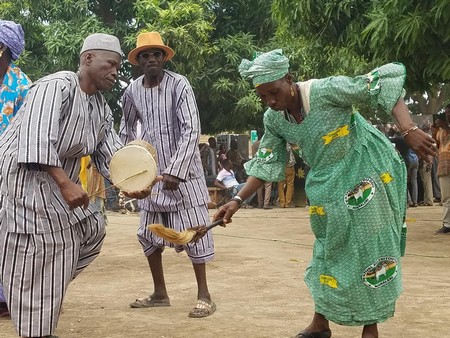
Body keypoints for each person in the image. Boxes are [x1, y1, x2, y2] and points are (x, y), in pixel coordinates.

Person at [213, 49, 436, 338]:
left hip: (366, 168)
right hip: (326, 182)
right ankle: (320, 323)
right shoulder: (275, 119)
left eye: (274, 92)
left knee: (371, 246)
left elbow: (382, 82)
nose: (270, 101)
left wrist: (409, 129)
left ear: (289, 79)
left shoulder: (326, 90)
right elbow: (267, 161)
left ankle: (371, 327)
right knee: (328, 248)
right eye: (263, 97)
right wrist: (236, 200)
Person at [0, 33, 155, 338]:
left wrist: (134, 182)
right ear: (87, 59)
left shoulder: (99, 107)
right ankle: (36, 328)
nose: (115, 72)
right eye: (109, 64)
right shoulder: (55, 86)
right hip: (22, 183)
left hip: (56, 188)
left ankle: (35, 292)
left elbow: (111, 154)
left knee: (90, 229)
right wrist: (65, 183)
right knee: (44, 249)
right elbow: (35, 139)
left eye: (118, 67)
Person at [120, 31, 216, 318]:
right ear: (138, 61)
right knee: (147, 235)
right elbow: (126, 131)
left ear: (164, 58)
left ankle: (205, 296)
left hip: (184, 177)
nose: (151, 59)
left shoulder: (180, 85)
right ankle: (160, 294)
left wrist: (176, 170)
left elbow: (190, 129)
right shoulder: (131, 91)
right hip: (150, 177)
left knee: (194, 234)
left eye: (156, 54)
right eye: (145, 55)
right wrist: (128, 172)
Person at [0, 19, 32, 319]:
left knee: (9, 233)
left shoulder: (23, 86)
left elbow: (29, 134)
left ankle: (8, 296)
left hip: (10, 171)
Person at [435, 105, 450, 234]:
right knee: (446, 197)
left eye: (449, 113)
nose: (447, 115)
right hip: (444, 166)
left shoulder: (445, 128)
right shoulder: (441, 131)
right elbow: (438, 145)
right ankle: (447, 224)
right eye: (446, 113)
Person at [252, 129, 273, 209]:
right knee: (268, 185)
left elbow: (253, 157)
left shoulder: (254, 145)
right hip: (266, 166)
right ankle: (266, 204)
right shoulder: (266, 144)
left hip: (257, 167)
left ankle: (259, 204)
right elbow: (269, 157)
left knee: (259, 186)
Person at [278, 143, 296, 208]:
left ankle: (282, 203)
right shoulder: (288, 144)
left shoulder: (278, 145)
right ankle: (288, 203)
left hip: (280, 167)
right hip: (289, 166)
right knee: (290, 184)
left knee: (280, 186)